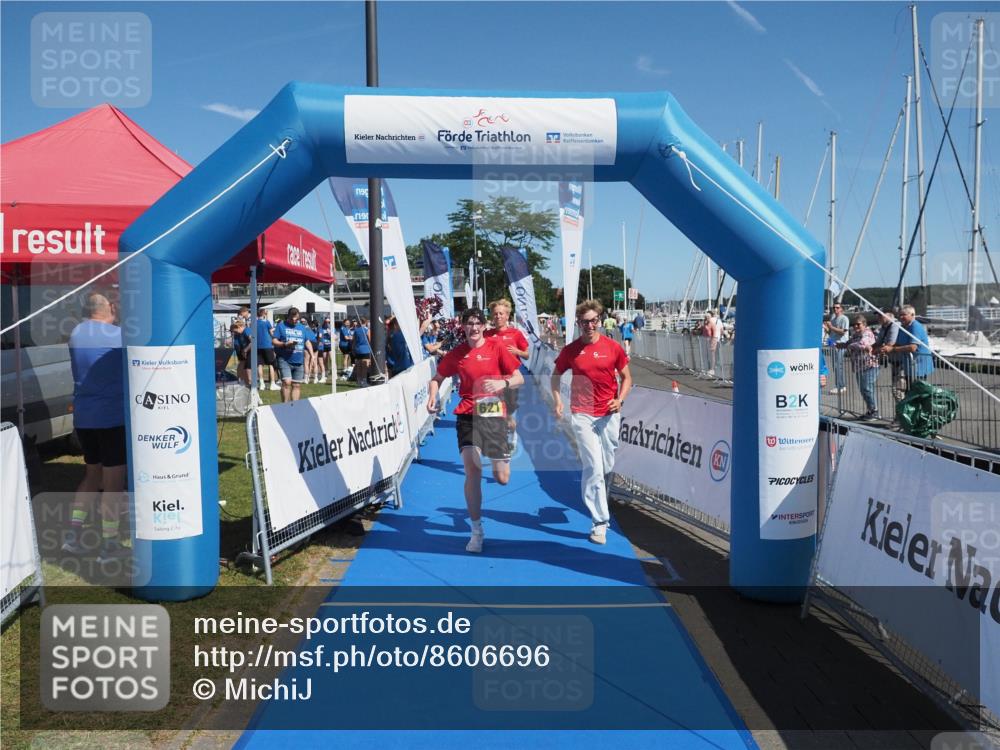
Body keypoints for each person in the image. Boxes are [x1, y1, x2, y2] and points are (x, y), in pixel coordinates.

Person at [426, 308, 524, 553]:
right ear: (463, 327)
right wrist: (432, 396)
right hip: (467, 413)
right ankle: (477, 530)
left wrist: (503, 382)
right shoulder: (458, 354)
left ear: (483, 325)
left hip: (492, 411)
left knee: (502, 478)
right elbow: (436, 378)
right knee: (472, 467)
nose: (474, 327)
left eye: (478, 323)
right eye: (469, 323)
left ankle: (506, 447)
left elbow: (518, 377)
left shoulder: (496, 347)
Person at [552, 300, 633, 545]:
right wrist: (557, 401)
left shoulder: (613, 347)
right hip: (583, 413)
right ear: (578, 323)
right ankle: (600, 522)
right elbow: (555, 376)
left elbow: (627, 378)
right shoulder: (571, 350)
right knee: (594, 468)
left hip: (609, 414)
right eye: (585, 321)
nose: (590, 325)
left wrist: (619, 400)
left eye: (594, 320)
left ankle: (598, 496)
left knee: (607, 465)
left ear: (599, 320)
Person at [62, 292, 128, 563]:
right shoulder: (117, 335)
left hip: (84, 418)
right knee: (113, 485)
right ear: (110, 307)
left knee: (91, 477)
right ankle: (109, 544)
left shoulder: (76, 333)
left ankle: (73, 535)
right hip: (110, 418)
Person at [485, 299, 530, 438]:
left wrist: (517, 352)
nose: (498, 316)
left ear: (507, 316)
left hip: (511, 380)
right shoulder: (486, 335)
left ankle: (511, 436)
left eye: (501, 313)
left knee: (508, 415)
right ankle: (499, 441)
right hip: (491, 380)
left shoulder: (515, 334)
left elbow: (527, 355)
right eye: (495, 314)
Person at [882, 305, 934, 395]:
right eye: (900, 315)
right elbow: (898, 343)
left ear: (912, 315)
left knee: (918, 392)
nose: (901, 317)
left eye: (904, 315)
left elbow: (913, 347)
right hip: (909, 364)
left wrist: (893, 349)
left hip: (919, 365)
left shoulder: (915, 326)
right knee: (909, 390)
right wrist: (886, 347)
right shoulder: (903, 327)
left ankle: (919, 408)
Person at [841, 315, 880, 420]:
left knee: (867, 388)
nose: (856, 326)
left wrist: (850, 346)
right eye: (854, 324)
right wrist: (840, 345)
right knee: (863, 389)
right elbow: (849, 343)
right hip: (859, 366)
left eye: (858, 324)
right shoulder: (855, 335)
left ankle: (875, 411)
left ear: (864, 324)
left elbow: (862, 344)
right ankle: (870, 410)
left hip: (870, 365)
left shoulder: (867, 333)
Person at [273, 307, 308, 402]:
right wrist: (285, 344)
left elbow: (307, 341)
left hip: (298, 359)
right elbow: (274, 341)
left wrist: (312, 354)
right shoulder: (281, 325)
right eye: (292, 319)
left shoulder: (302, 327)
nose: (294, 321)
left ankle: (294, 407)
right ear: (288, 317)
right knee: (287, 382)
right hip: (284, 359)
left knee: (296, 385)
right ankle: (285, 405)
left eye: (296, 319)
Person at [824, 302, 850, 394]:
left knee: (838, 365)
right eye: (834, 307)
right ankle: (839, 385)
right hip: (833, 344)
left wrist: (831, 327)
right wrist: (827, 328)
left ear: (841, 309)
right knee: (835, 366)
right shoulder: (832, 318)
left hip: (841, 344)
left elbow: (843, 332)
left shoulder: (844, 318)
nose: (835, 309)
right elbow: (831, 332)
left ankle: (840, 386)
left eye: (837, 307)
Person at [255, 307, 280, 391]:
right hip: (267, 345)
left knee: (260, 365)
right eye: (266, 312)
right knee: (271, 364)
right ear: (263, 313)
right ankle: (272, 384)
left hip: (258, 346)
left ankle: (261, 384)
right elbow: (271, 333)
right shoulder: (267, 322)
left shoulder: (254, 322)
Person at [352, 317, 372, 385]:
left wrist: (353, 349)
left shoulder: (356, 330)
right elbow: (370, 340)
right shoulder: (367, 330)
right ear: (365, 322)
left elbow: (354, 341)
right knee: (364, 367)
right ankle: (364, 381)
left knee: (358, 366)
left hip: (358, 350)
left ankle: (359, 380)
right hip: (365, 350)